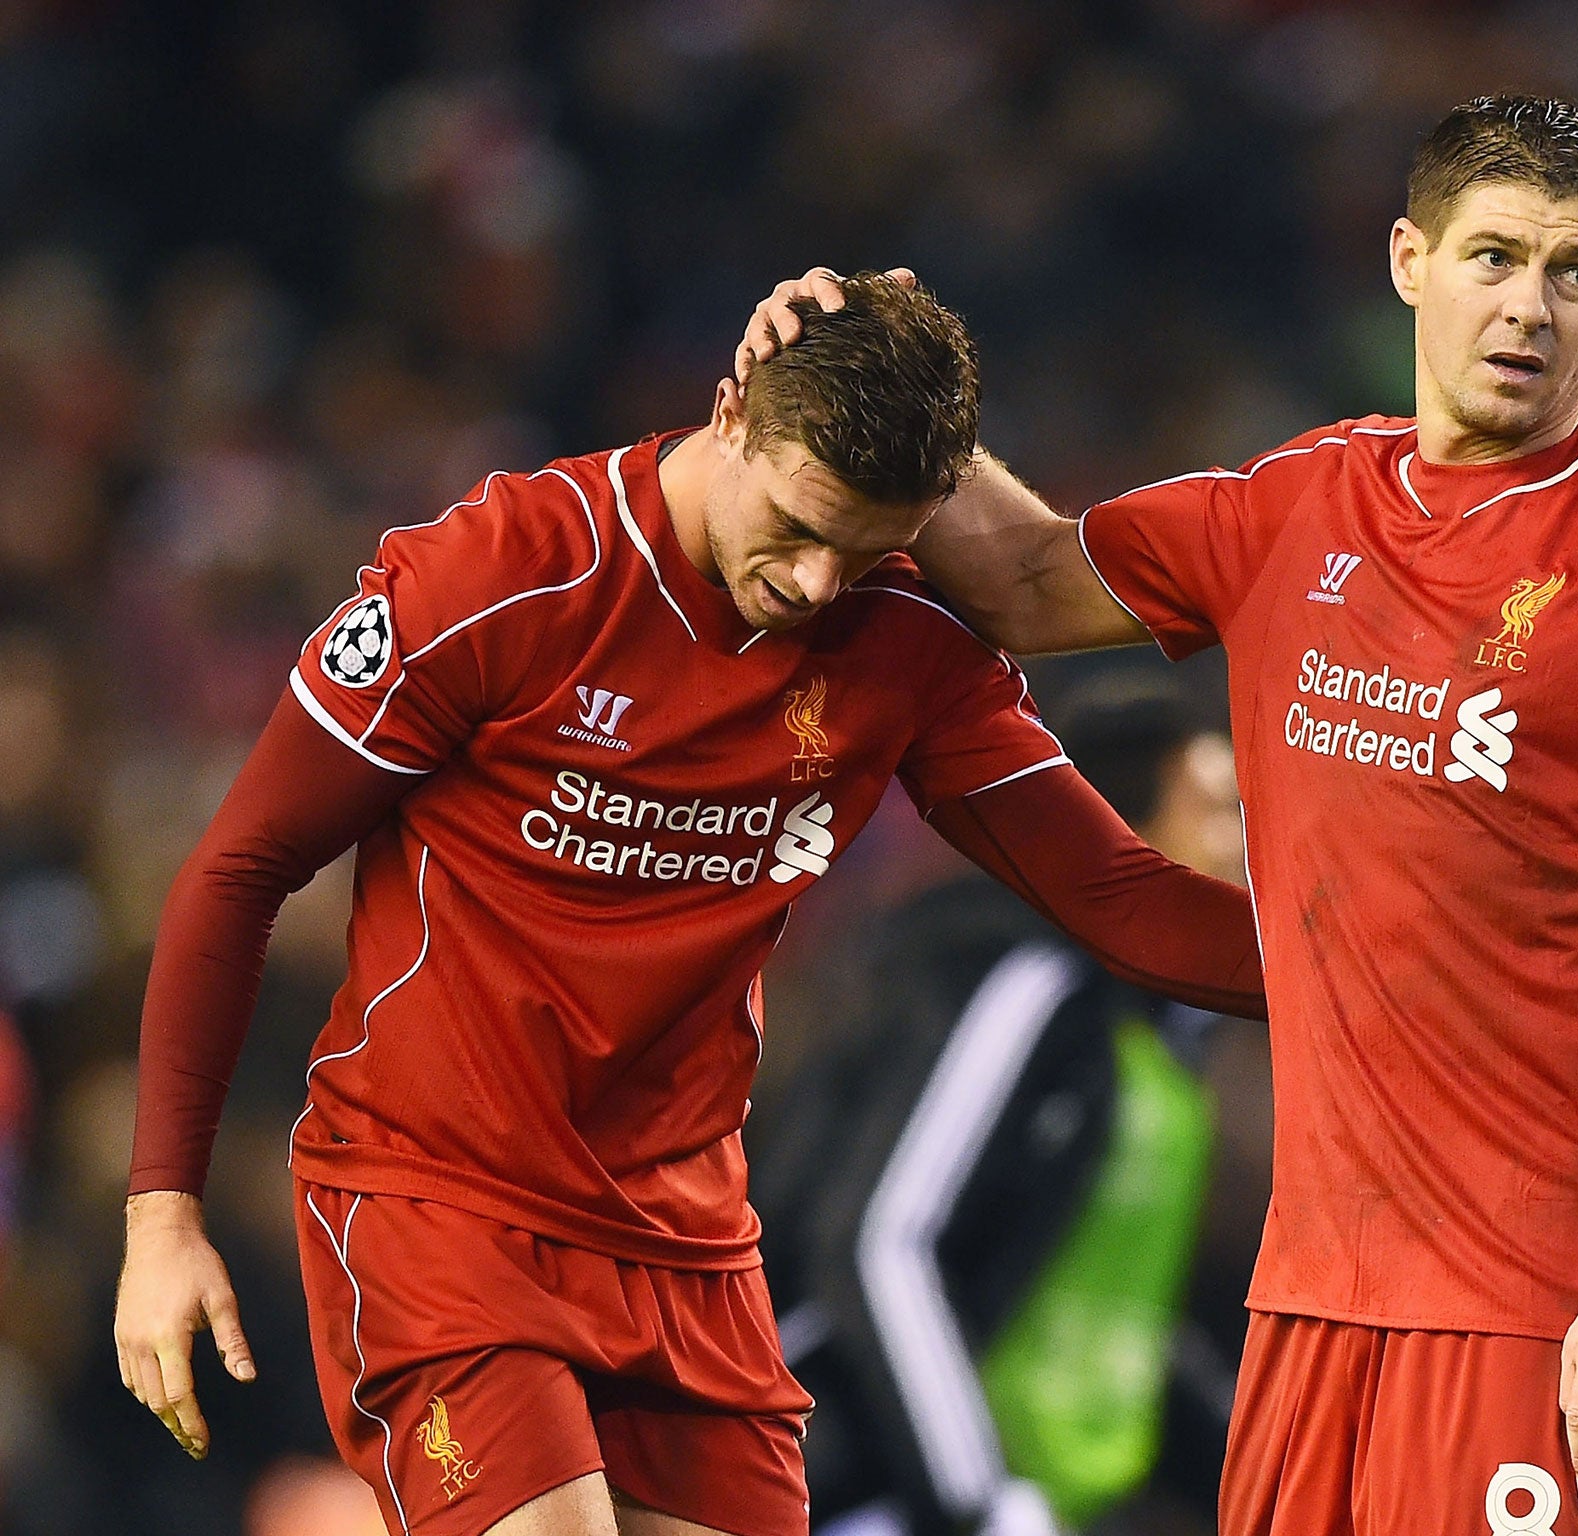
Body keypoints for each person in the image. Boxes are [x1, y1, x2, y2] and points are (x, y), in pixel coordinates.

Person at [743, 96, 1578, 1536]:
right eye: (1493, 256)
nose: (1529, 306)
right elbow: (1017, 581)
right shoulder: (1296, 509)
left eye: (1575, 273)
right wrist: (852, 358)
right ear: (1408, 261)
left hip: (1540, 1295)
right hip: (1309, 1302)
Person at [114, 275, 1265, 1536]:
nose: (819, 582)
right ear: (729, 415)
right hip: (444, 1206)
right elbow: (240, 868)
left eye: (869, 548)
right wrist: (162, 1213)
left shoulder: (906, 644)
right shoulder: (509, 574)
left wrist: (1431, 965)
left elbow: (1123, 900)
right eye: (796, 525)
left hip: (685, 1243)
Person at [751, 679, 1248, 1536]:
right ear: (1122, 834)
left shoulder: (1160, 1038)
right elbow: (881, 1244)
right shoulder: (1026, 982)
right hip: (873, 1495)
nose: (1246, 848)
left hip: (1049, 1504)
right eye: (1218, 810)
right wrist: (979, 1505)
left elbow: (1111, 1299)